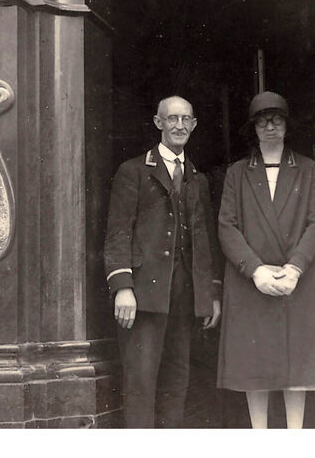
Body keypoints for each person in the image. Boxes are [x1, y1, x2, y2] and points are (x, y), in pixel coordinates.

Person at [103, 95, 222, 428]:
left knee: (176, 381)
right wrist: (123, 287)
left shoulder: (198, 178)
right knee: (140, 383)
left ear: (194, 124)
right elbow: (117, 233)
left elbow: (204, 239)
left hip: (183, 298)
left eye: (186, 119)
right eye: (172, 119)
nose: (179, 126)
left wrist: (211, 293)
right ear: (158, 123)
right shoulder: (134, 171)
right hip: (143, 296)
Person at [216, 91, 315, 429]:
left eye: (277, 120)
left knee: (298, 368)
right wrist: (256, 270)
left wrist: (295, 268)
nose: (270, 126)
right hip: (252, 280)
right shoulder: (237, 173)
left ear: (287, 125)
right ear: (254, 129)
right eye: (262, 121)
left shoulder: (308, 169)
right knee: (255, 367)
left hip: (298, 278)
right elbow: (226, 225)